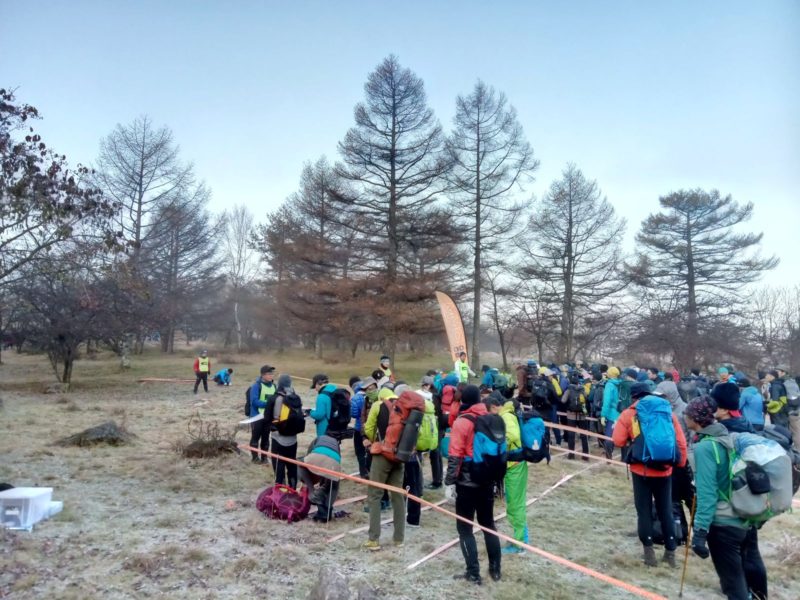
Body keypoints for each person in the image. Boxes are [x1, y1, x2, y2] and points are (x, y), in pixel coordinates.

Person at [684, 396, 768, 600]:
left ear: (696, 418)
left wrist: (700, 531)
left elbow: (707, 493)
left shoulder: (705, 448)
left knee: (733, 584)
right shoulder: (727, 438)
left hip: (723, 523)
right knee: (745, 576)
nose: (684, 416)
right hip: (742, 516)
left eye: (688, 413)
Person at [612, 382, 687, 568]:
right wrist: (680, 463)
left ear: (633, 397)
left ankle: (649, 554)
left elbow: (618, 440)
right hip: (665, 470)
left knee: (643, 511)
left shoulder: (629, 414)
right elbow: (680, 442)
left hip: (641, 470)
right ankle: (670, 553)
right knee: (665, 510)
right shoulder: (666, 412)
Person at [446, 384, 502, 584]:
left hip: (467, 482)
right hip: (487, 480)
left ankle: (473, 572)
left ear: (463, 400)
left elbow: (455, 454)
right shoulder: (491, 418)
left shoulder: (462, 421)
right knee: (489, 525)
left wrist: (449, 482)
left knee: (465, 528)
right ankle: (495, 569)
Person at [363, 388, 406, 550]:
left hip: (382, 454)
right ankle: (399, 539)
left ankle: (374, 539)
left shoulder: (378, 405)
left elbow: (369, 428)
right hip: (399, 455)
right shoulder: (405, 407)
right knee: (398, 496)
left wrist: (373, 441)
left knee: (375, 496)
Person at [498, 396, 528, 553]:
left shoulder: (506, 416)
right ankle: (522, 539)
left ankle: (519, 544)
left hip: (514, 465)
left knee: (515, 505)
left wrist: (497, 442)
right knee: (516, 504)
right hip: (514, 465)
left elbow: (513, 436)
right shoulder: (508, 413)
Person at [298, 433, 343, 522]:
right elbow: (337, 460)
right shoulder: (336, 444)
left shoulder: (319, 438)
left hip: (316, 457)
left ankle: (312, 493)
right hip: (334, 463)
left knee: (299, 464)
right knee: (333, 486)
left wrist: (310, 484)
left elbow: (309, 455)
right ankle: (326, 512)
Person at [267, 374, 301, 488]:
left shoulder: (274, 398)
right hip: (293, 438)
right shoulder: (295, 398)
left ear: (279, 384)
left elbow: (267, 418)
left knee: (278, 464)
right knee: (292, 463)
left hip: (277, 437)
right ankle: (293, 488)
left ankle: (280, 488)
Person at [248, 365, 277, 463]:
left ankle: (264, 458)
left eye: (272, 374)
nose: (271, 376)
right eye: (269, 374)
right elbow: (254, 401)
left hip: (268, 417)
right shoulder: (256, 386)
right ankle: (255, 458)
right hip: (257, 416)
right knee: (255, 438)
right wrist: (268, 404)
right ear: (263, 375)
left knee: (266, 438)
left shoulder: (274, 386)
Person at [560, 372, 590, 460]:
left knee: (571, 436)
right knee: (584, 436)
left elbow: (563, 400)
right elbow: (586, 399)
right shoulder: (583, 390)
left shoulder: (568, 390)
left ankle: (571, 455)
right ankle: (585, 455)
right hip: (582, 416)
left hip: (571, 416)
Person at [350, 377, 372, 479]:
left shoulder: (355, 398)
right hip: (371, 427)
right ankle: (370, 469)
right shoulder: (371, 396)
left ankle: (363, 472)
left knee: (360, 452)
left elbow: (354, 414)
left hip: (359, 427)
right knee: (370, 450)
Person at [600, 366, 623, 459]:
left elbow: (607, 401)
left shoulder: (609, 385)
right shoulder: (620, 384)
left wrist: (603, 415)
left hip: (611, 414)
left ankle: (608, 457)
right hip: (620, 413)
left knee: (609, 437)